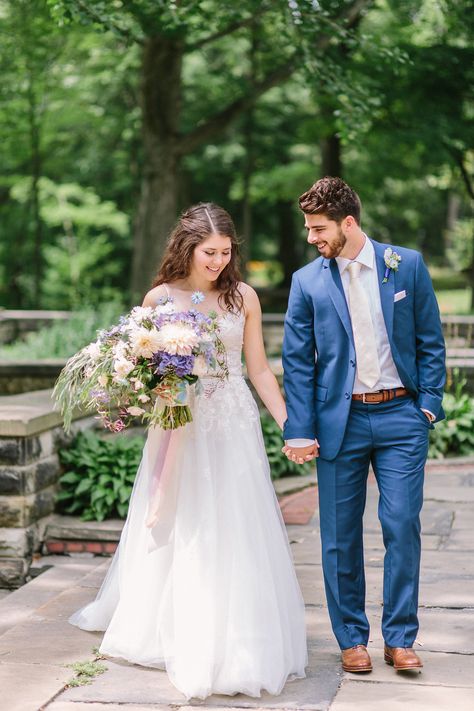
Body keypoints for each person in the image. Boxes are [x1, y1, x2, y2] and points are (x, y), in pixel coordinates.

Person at [69, 203, 307, 700]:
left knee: (235, 518)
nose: (219, 261)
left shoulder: (243, 297)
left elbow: (260, 369)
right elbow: (152, 374)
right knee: (181, 515)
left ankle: (237, 630)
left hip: (233, 419)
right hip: (180, 420)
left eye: (226, 252)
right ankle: (174, 624)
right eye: (209, 252)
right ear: (188, 247)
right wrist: (164, 391)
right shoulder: (160, 298)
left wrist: (291, 426)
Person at [282, 177, 445, 674]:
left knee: (401, 525)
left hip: (401, 417)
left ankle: (400, 639)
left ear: (348, 222)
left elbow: (429, 339)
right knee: (339, 535)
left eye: (318, 227)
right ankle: (352, 638)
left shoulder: (406, 265)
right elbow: (298, 362)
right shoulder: (307, 281)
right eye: (308, 228)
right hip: (340, 421)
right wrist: (300, 428)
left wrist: (428, 407)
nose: (312, 237)